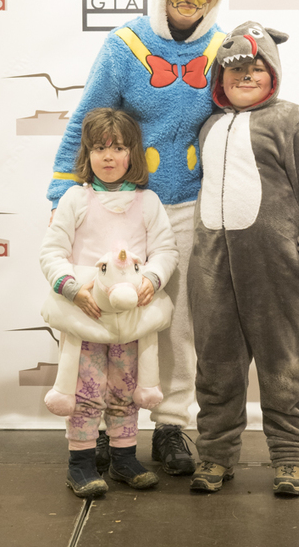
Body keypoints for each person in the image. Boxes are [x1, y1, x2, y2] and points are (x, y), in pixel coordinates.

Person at [47, 0, 230, 475]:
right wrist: (62, 191)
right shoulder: (124, 44)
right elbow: (89, 117)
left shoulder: (222, 48)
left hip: (190, 204)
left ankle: (170, 425)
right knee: (105, 311)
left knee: (178, 323)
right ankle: (104, 426)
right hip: (121, 202)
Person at [187, 22, 299, 495]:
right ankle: (215, 455)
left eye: (257, 68)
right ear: (221, 79)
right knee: (215, 366)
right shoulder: (210, 125)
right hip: (212, 268)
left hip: (277, 268)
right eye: (235, 71)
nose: (246, 76)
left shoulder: (294, 121)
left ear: (273, 72)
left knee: (284, 366)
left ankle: (289, 458)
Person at [40, 108, 179, 497]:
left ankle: (124, 458)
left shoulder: (148, 202)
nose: (108, 156)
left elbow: (165, 250)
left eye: (118, 148)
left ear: (132, 153)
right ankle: (81, 464)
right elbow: (52, 252)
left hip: (130, 317)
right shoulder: (75, 199)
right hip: (87, 313)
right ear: (87, 154)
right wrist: (72, 288)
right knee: (85, 389)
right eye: (99, 148)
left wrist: (152, 278)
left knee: (125, 387)